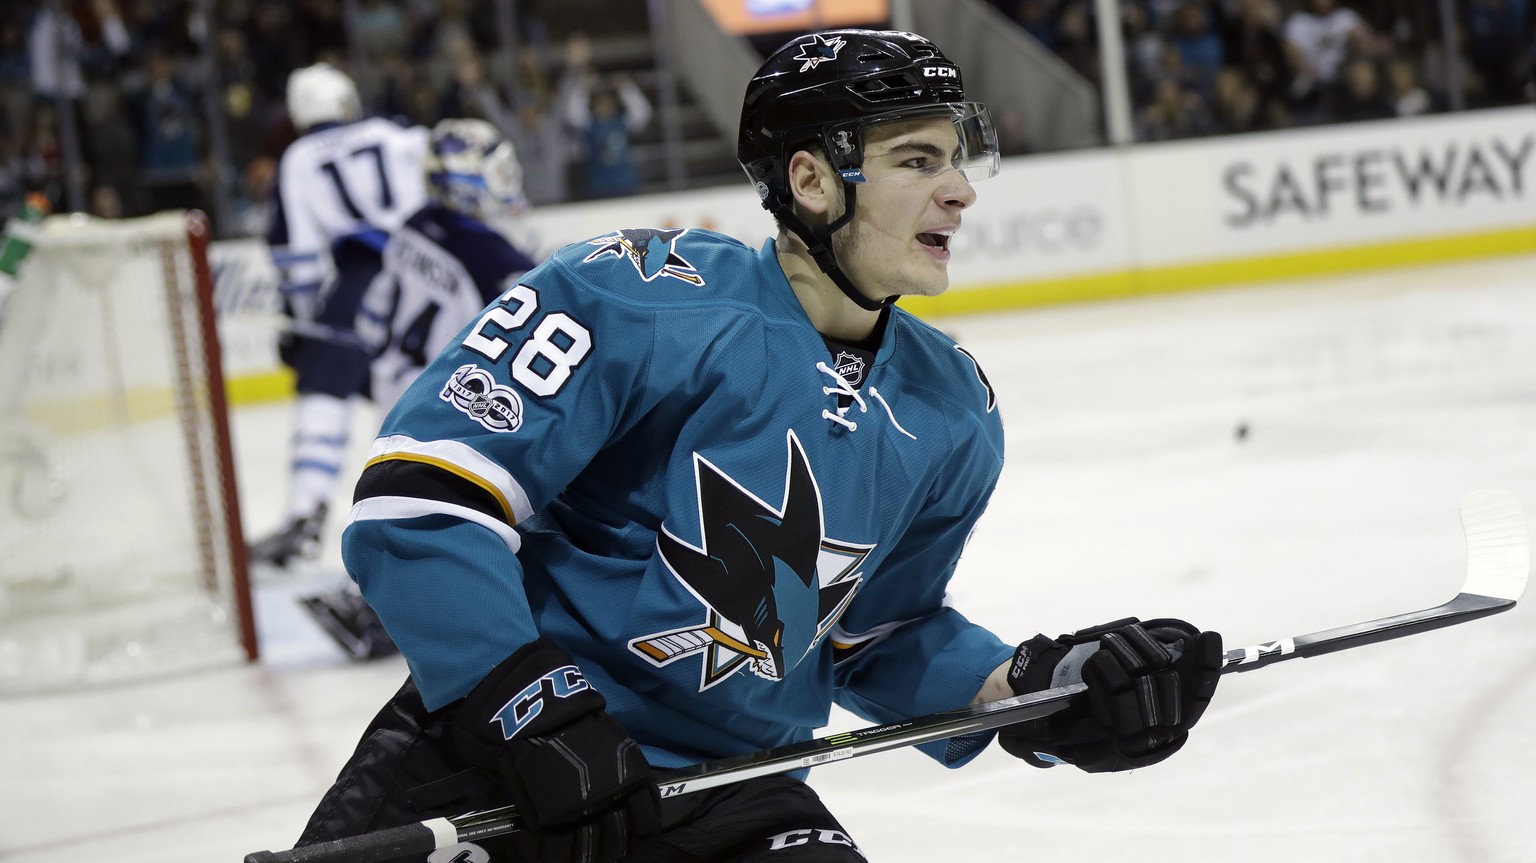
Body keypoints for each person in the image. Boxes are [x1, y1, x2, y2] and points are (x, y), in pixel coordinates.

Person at [291, 30, 1223, 862]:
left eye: (957, 158)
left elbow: (871, 634)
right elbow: (421, 503)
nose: (960, 190)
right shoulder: (633, 294)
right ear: (813, 181)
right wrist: (526, 707)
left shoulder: (952, 407)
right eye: (917, 159)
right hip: (497, 756)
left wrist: (1038, 686)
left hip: (733, 793)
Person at [249, 62, 429, 569]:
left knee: (324, 389)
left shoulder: (300, 157)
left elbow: (296, 254)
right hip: (426, 274)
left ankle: (304, 519)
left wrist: (305, 320)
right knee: (437, 394)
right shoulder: (394, 134)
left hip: (360, 280)